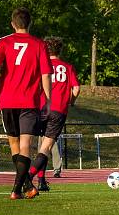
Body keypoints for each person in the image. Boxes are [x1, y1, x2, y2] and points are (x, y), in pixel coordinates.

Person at [0, 7, 53, 200]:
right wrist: (48, 99)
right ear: (30, 23)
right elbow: (46, 74)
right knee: (25, 145)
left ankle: (18, 189)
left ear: (13, 24)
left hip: (7, 100)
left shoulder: (3, 42)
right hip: (29, 101)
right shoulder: (40, 44)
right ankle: (23, 187)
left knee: (14, 143)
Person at [29, 36, 80, 191]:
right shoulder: (67, 67)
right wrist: (70, 101)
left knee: (41, 146)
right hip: (58, 110)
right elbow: (76, 89)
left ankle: (42, 181)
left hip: (41, 108)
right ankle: (29, 176)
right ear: (60, 50)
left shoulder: (41, 65)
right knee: (47, 147)